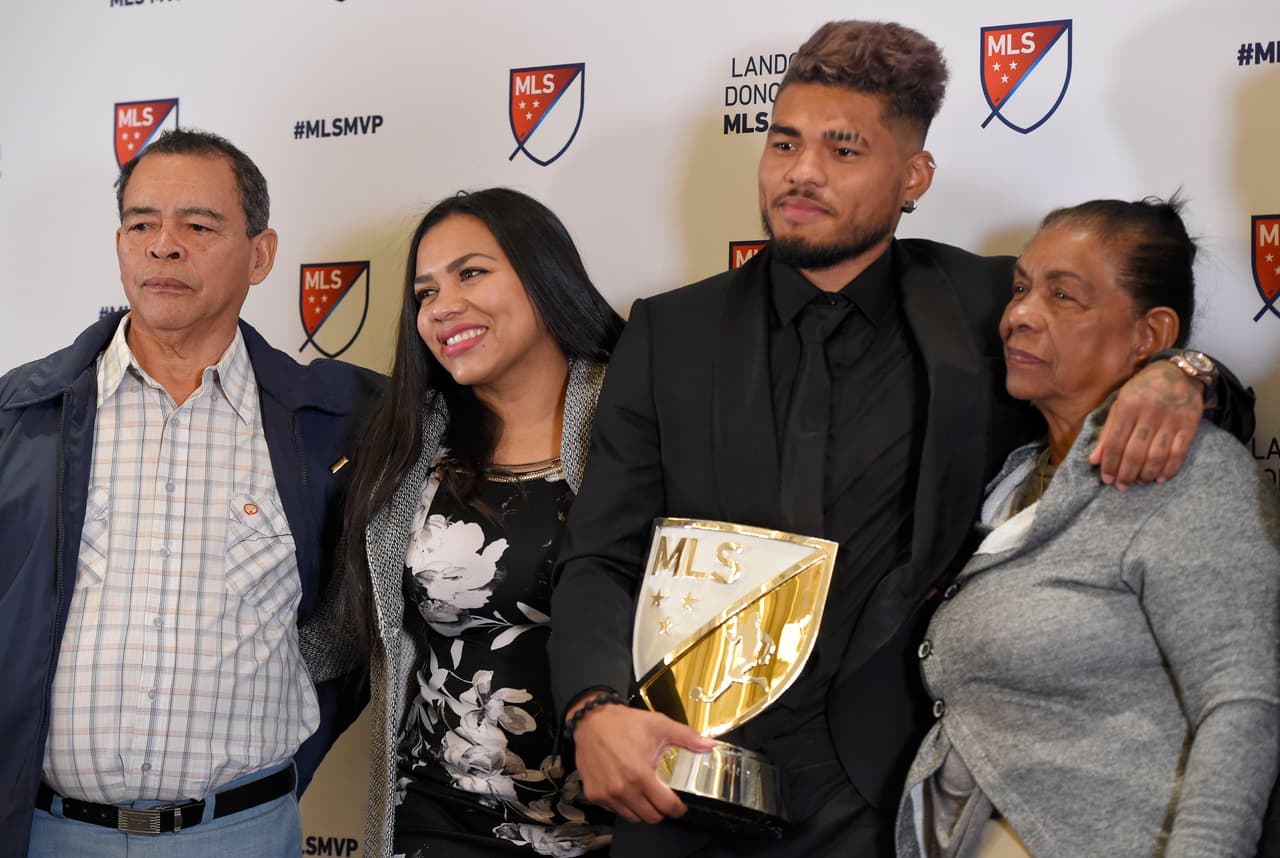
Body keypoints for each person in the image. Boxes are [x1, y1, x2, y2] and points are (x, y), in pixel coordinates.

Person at [547, 20, 1255, 858]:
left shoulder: (991, 305)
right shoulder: (669, 332)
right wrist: (592, 708)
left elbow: (1182, 392)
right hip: (684, 781)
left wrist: (1188, 374)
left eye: (843, 151)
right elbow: (602, 552)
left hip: (894, 799)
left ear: (914, 174)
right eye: (784, 143)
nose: (801, 173)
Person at [0, 129, 382, 856]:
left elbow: (358, 626)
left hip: (243, 832)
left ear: (261, 253)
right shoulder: (20, 417)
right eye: (142, 224)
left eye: (198, 226)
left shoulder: (335, 422)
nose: (163, 246)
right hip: (50, 833)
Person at [893, 197, 1280, 856]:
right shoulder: (1012, 475)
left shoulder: (1194, 476)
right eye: (1020, 288)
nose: (1017, 315)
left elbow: (1242, 709)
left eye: (1063, 297)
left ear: (1151, 336)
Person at [330, 188, 623, 857]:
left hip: (614, 827)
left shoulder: (639, 414)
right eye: (425, 292)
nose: (443, 307)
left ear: (545, 275)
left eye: (470, 273)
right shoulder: (413, 443)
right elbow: (346, 633)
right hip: (442, 816)